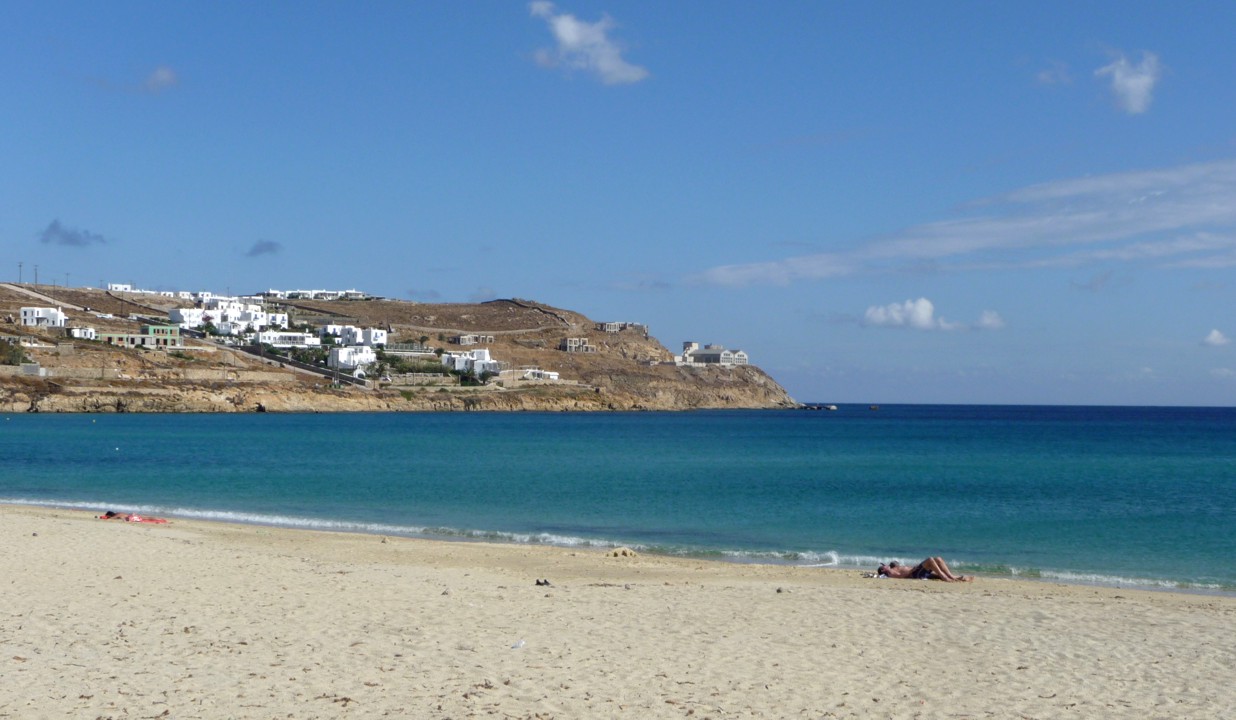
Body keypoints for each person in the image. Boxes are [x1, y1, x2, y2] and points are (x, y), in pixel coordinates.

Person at [877, 557, 971, 582]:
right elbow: (901, 576)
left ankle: (952, 576)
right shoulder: (889, 572)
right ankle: (945, 577)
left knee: (938, 559)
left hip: (917, 571)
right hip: (915, 575)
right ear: (883, 570)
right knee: (930, 559)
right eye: (883, 565)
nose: (885, 564)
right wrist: (912, 570)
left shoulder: (893, 567)